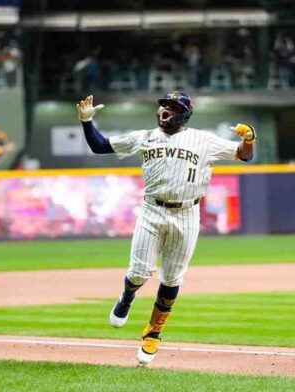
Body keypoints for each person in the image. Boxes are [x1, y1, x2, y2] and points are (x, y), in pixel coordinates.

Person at [76, 92, 255, 365]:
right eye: (163, 106)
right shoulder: (144, 137)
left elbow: (243, 155)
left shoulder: (203, 140)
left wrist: (249, 139)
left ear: (184, 114)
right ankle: (127, 296)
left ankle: (154, 333)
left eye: (172, 107)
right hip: (152, 210)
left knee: (172, 278)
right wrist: (87, 123)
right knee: (138, 272)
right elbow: (100, 146)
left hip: (187, 213)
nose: (164, 111)